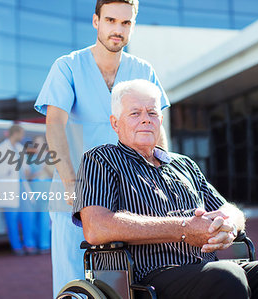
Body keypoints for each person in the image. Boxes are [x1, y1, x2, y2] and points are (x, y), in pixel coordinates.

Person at [73, 79, 258, 299]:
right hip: (147, 277)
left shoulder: (184, 164)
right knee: (226, 276)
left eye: (152, 113)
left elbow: (228, 209)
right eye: (135, 113)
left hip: (207, 270)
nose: (145, 120)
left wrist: (228, 226)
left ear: (161, 120)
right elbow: (96, 228)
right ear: (115, 123)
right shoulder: (100, 159)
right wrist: (183, 230)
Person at [34, 0, 170, 295]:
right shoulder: (67, 66)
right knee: (75, 283)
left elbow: (156, 130)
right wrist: (72, 185)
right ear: (96, 21)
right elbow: (54, 124)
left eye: (126, 23)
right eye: (111, 20)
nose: (117, 30)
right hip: (75, 192)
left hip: (131, 191)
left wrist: (165, 180)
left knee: (132, 280)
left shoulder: (143, 70)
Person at [0, 125, 36, 255]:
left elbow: (26, 167)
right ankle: (16, 247)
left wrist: (27, 170)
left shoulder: (19, 148)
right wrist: (11, 168)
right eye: (21, 133)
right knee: (12, 220)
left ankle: (29, 244)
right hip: (9, 189)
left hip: (23, 187)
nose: (23, 137)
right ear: (15, 133)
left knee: (28, 215)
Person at [25, 135, 54, 253]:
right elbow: (27, 177)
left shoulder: (51, 158)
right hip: (34, 191)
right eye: (36, 144)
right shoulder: (30, 159)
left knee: (45, 220)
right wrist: (35, 174)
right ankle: (34, 244)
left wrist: (45, 167)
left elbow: (53, 176)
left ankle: (44, 244)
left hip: (46, 190)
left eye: (41, 143)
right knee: (33, 220)